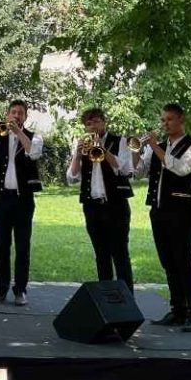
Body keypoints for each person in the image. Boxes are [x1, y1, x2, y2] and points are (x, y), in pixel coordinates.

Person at [134, 103, 191, 332]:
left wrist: (155, 147)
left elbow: (181, 169)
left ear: (181, 120)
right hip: (158, 210)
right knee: (168, 262)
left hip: (181, 211)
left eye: (169, 120)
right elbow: (139, 173)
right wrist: (136, 152)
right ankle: (178, 311)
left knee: (184, 261)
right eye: (163, 120)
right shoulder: (158, 146)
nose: (165, 124)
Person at [0, 99, 43, 306]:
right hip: (1, 198)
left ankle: (20, 290)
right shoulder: (0, 137)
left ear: (25, 117)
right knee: (1, 246)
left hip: (23, 199)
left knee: (23, 247)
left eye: (20, 113)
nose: (16, 116)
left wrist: (19, 132)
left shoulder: (35, 137)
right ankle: (0, 289)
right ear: (7, 114)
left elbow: (33, 153)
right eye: (13, 112)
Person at [66, 108, 135, 293]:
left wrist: (103, 149)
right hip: (92, 207)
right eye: (88, 124)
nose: (93, 126)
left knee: (120, 254)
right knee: (101, 255)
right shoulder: (83, 145)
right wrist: (78, 155)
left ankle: (127, 300)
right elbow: (71, 178)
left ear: (104, 122)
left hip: (116, 206)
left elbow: (126, 169)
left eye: (96, 122)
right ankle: (107, 300)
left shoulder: (120, 141)